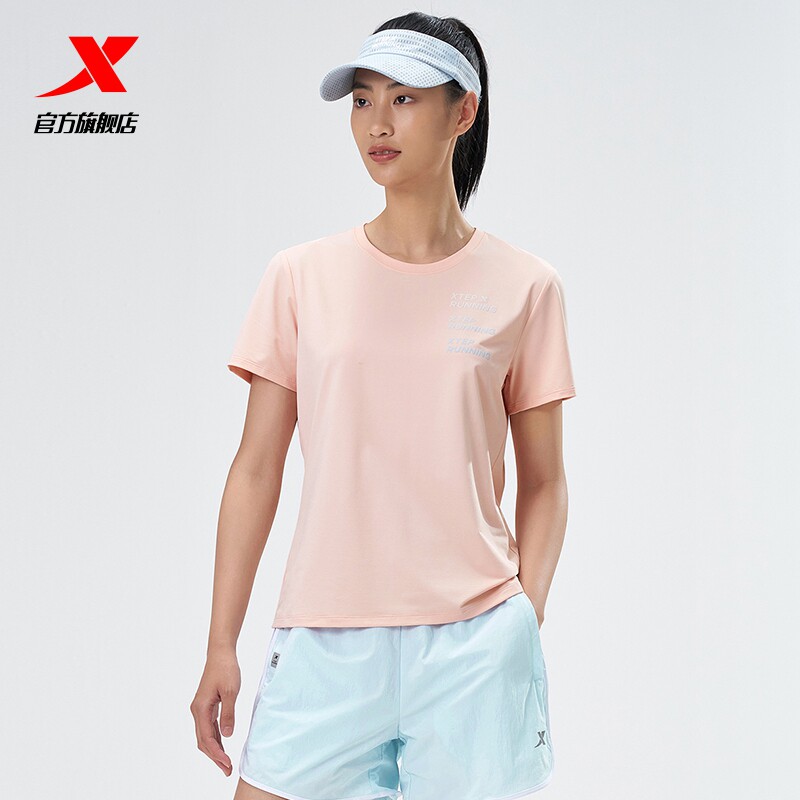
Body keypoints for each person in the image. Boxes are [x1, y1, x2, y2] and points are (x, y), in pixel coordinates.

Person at [190, 11, 577, 800]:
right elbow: (256, 469)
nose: (377, 123)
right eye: (363, 99)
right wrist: (220, 641)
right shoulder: (300, 277)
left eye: (404, 98)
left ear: (462, 112)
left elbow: (545, 481)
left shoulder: (526, 287)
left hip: (474, 644)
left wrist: (523, 618)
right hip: (324, 639)